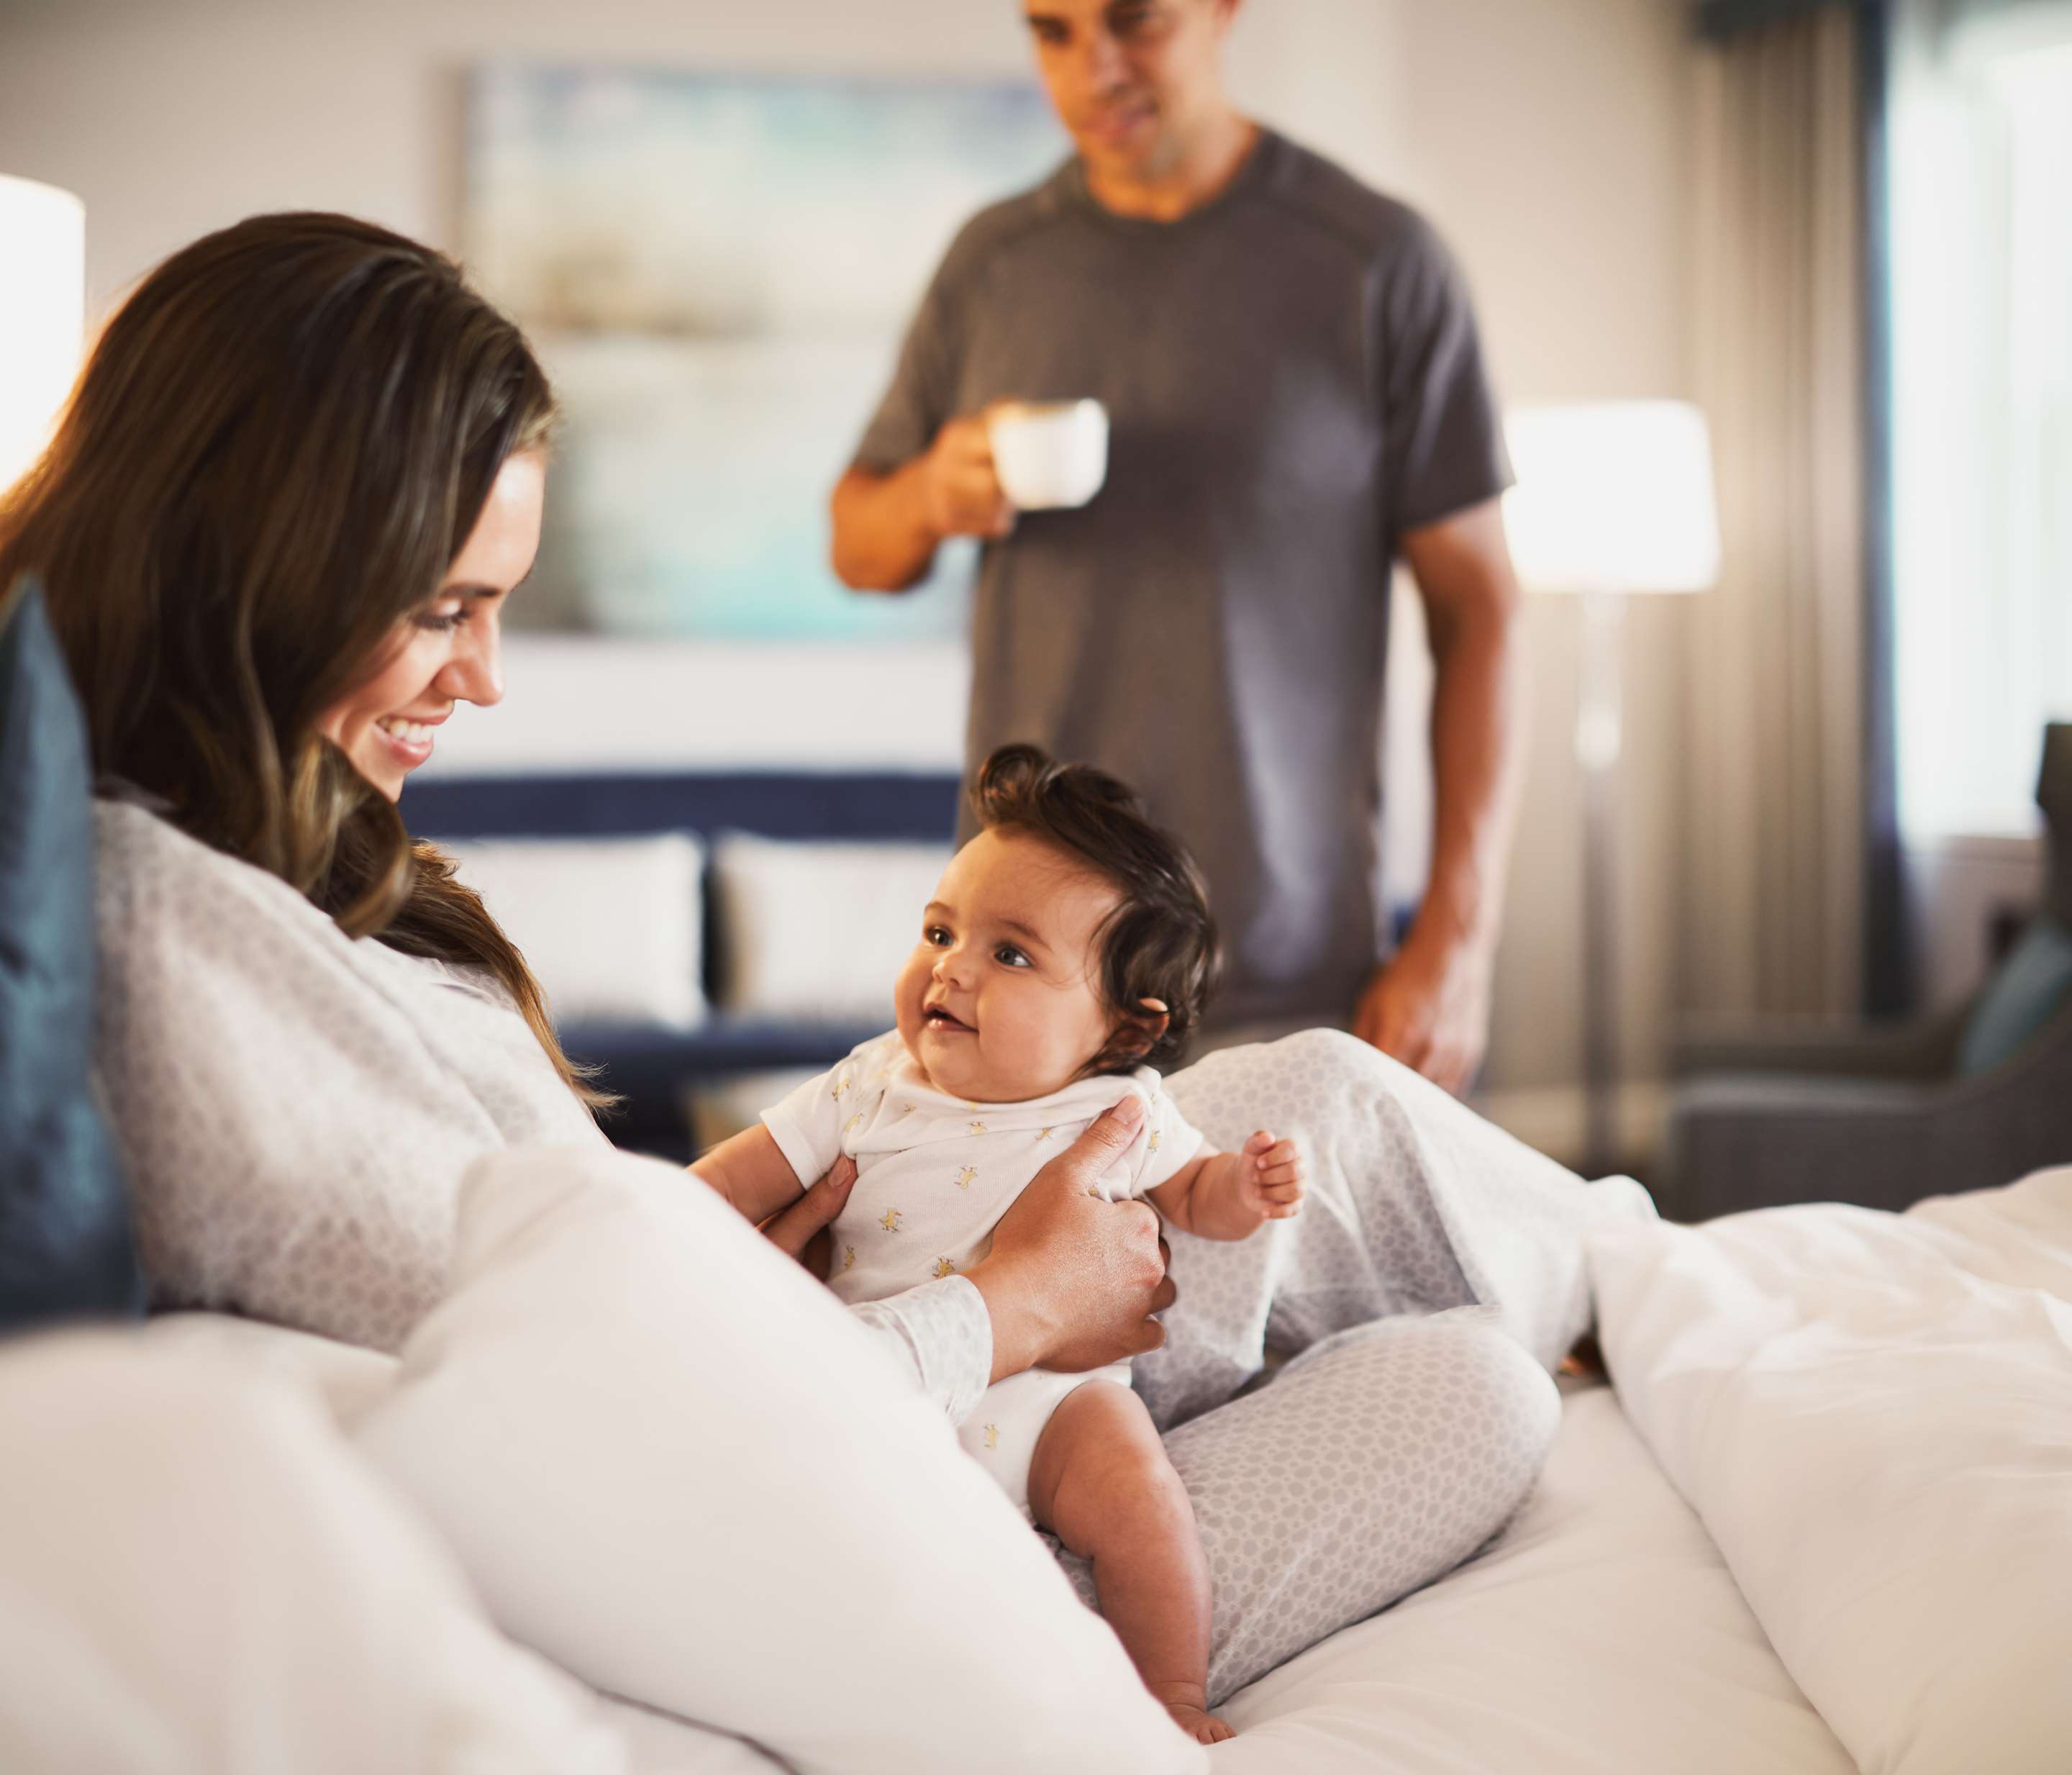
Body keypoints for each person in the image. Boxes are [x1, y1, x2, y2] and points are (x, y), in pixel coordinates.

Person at [3, 212, 1625, 1710]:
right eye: (443, 609)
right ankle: (1627, 1290)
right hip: (895, 1447)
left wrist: (774, 1265)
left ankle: (1636, 1282)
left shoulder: (244, 869)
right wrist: (1005, 1303)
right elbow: (627, 1455)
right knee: (1471, 1389)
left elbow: (581, 1289)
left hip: (835, 1345)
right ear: (256, 572)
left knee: (1322, 1098)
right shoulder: (172, 942)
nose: (483, 679)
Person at [829, 0, 1526, 1093]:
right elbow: (860, 545)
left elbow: (1481, 611)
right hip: (1030, 982)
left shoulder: (1377, 261)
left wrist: (1459, 941)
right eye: (1053, 32)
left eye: (1133, 21)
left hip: (1292, 982)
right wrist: (929, 491)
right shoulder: (994, 261)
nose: (1094, 70)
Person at [696, 743, 1307, 1742]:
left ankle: (1170, 1697)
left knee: (1141, 1495)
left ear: (1124, 1030)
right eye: (941, 930)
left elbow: (1196, 1199)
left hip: (1049, 1405)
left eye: (1011, 954)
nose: (953, 968)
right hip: (884, 1387)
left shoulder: (1116, 1106)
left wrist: (1247, 1186)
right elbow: (716, 1191)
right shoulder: (867, 1084)